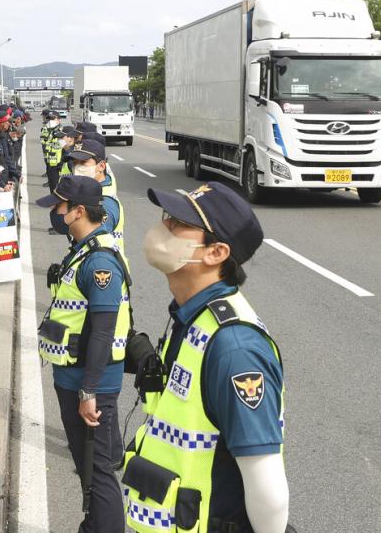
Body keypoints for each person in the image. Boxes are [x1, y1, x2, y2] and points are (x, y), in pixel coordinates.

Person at [123, 182, 288, 533]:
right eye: (167, 216)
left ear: (215, 253)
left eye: (178, 223)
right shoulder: (192, 318)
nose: (162, 227)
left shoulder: (235, 349)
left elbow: (267, 483)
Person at [36, 176, 131, 533]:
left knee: (98, 470)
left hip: (88, 383)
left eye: (61, 207)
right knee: (89, 468)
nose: (56, 213)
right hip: (74, 376)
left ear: (78, 212)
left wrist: (89, 391)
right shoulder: (83, 248)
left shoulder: (99, 262)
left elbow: (103, 331)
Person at [68, 139, 125, 253]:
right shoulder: (90, 191)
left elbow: (96, 245)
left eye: (83, 162)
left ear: (101, 166)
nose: (77, 168)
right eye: (74, 163)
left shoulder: (104, 204)